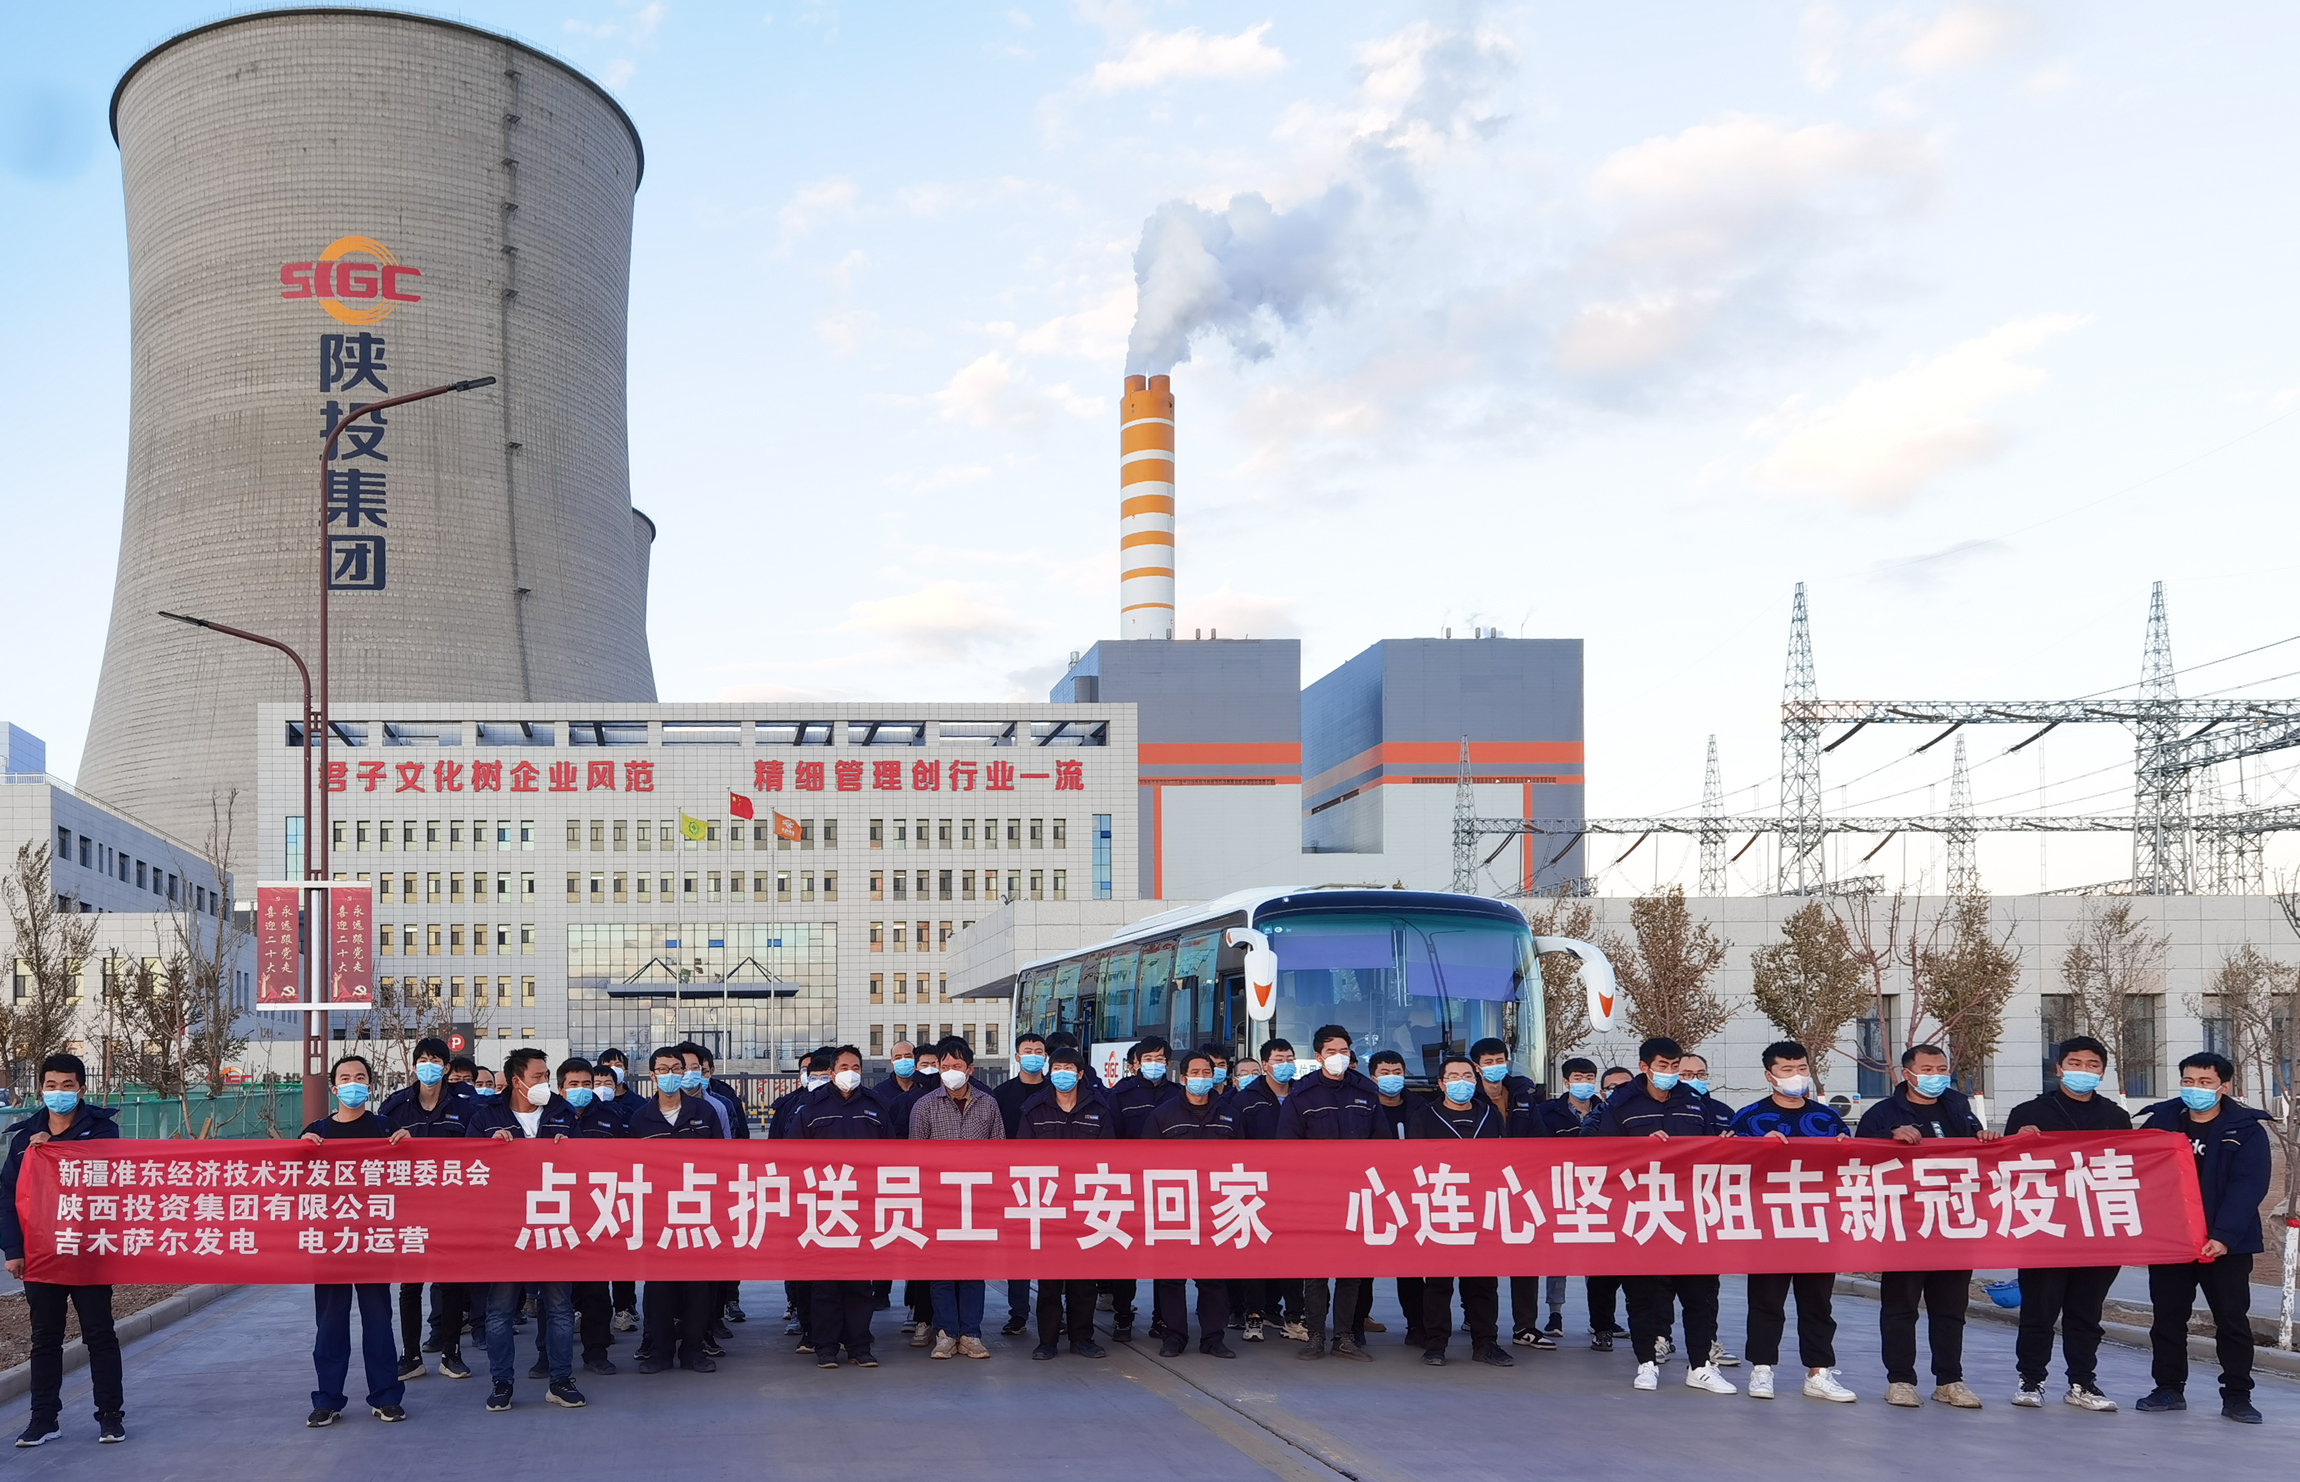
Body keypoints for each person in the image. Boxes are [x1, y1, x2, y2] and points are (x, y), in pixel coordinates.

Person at [1854, 1043, 1992, 1409]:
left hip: (1953, 1224)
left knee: (1951, 1309)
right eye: (1927, 1070)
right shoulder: (1883, 1114)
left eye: (1941, 1070)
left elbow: (1976, 1158)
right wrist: (1888, 1137)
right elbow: (1857, 1158)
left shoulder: (1959, 1109)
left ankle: (1949, 1380)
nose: (1936, 1076)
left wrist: (1985, 1140)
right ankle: (1900, 1380)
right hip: (1905, 1227)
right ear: (1907, 1074)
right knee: (1900, 1308)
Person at [2135, 1051, 2268, 1424]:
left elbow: (2248, 1186)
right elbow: (2135, 1166)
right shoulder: (2161, 1121)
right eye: (2189, 1081)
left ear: (2224, 1087)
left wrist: (2223, 1236)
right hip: (2172, 1241)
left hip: (2226, 1245)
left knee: (2231, 1320)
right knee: (2167, 1318)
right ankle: (2168, 1388)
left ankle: (2238, 1396)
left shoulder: (2245, 1129)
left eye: (2205, 1082)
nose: (2196, 1088)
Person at [1598, 1037, 1734, 1395]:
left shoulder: (1693, 1102)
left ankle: (1700, 1366)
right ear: (1645, 1067)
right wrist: (1639, 1148)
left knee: (1699, 1295)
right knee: (1643, 1295)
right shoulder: (1622, 1104)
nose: (1670, 1073)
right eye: (1663, 1067)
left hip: (1690, 1212)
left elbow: (1710, 1150)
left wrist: (1723, 1144)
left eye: (1675, 1067)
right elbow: (1602, 1155)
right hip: (1641, 1212)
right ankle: (1646, 1362)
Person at [2, 1054, 125, 1447]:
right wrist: (13, 1250)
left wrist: (53, 1149)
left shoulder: (103, 1132)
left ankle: (110, 1416)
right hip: (42, 1255)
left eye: (67, 1086)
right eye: (51, 1086)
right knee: (45, 1338)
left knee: (99, 1335)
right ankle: (44, 1420)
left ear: (81, 1090)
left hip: (89, 1251)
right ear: (41, 1090)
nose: (59, 1093)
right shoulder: (23, 1140)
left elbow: (110, 1178)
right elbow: (7, 1199)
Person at [2005, 1036, 2131, 1412]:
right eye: (2075, 1063)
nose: (2083, 1071)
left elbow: (2130, 1168)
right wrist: (2017, 1142)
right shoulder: (2029, 1113)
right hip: (2044, 1226)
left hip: (2097, 1228)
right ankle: (2031, 1380)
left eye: (2092, 1065)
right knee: (2039, 1311)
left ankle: (2082, 1382)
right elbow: (2004, 1168)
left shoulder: (2116, 1118)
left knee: (2086, 1313)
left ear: (2102, 1072)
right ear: (2059, 1068)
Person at [1728, 1041, 1856, 1403]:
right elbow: (1727, 1163)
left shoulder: (1827, 1118)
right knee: (1766, 1302)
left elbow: (1851, 1166)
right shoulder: (1749, 1118)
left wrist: (1846, 1146)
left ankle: (1819, 1372)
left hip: (1818, 1222)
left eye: (1801, 1068)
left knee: (1818, 1304)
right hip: (1769, 1223)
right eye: (1787, 1070)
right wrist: (1753, 1146)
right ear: (1769, 1075)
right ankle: (1762, 1369)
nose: (1796, 1076)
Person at [467, 1048, 587, 1413]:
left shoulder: (562, 1113)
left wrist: (571, 1150)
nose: (544, 1083)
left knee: (560, 1307)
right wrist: (491, 1151)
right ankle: (502, 1383)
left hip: (554, 1223)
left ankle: (561, 1380)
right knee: (500, 1310)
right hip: (506, 1228)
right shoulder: (486, 1118)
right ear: (517, 1081)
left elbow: (587, 1165)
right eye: (538, 1077)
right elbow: (468, 1168)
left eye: (546, 1076)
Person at [300, 1055, 407, 1427]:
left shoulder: (385, 1127)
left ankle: (386, 1397)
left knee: (378, 1322)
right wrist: (301, 1148)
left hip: (374, 1240)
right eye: (345, 1078)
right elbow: (296, 1182)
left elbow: (410, 1174)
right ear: (334, 1088)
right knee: (330, 1325)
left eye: (360, 1077)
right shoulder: (317, 1131)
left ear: (370, 1086)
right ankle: (327, 1399)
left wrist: (408, 1145)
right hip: (331, 1242)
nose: (353, 1084)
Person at [1278, 1025, 1380, 1361]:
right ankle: (1316, 1336)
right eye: (1332, 1052)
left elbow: (1382, 1144)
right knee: (1316, 1273)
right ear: (1319, 1056)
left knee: (1351, 1272)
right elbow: (1286, 1147)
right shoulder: (1302, 1095)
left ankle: (1345, 1336)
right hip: (1317, 1197)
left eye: (1344, 1051)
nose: (1339, 1057)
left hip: (1357, 1195)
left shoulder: (1366, 1091)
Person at [379, 1037, 475, 1384]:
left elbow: (479, 1153)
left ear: (447, 1068)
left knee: (451, 1284)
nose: (428, 1066)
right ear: (414, 1065)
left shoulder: (466, 1108)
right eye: (422, 1060)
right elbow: (373, 1152)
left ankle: (451, 1354)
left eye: (435, 1061)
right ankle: (411, 1356)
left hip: (452, 1209)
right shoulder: (394, 1107)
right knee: (410, 1285)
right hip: (410, 1209)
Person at [789, 1045, 891, 1369]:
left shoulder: (875, 1106)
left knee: (860, 1283)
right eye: (844, 1067)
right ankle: (826, 1347)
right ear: (832, 1073)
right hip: (824, 1208)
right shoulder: (811, 1109)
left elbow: (893, 1156)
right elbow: (792, 1158)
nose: (850, 1073)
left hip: (863, 1207)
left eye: (856, 1067)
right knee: (826, 1284)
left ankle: (860, 1346)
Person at [1411, 1055, 1513, 1368]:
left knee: (1483, 1283)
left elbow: (1504, 1155)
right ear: (1442, 1084)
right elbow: (1413, 1162)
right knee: (1438, 1283)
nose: (1462, 1082)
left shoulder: (1489, 1113)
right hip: (1441, 1206)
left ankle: (1486, 1343)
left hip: (1482, 1207)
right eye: (1454, 1077)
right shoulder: (1425, 1116)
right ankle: (1435, 1345)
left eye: (1468, 1076)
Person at [628, 1046, 724, 1373]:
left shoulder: (705, 1112)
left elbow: (722, 1161)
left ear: (684, 1073)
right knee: (659, 1288)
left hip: (698, 1212)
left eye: (675, 1069)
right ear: (652, 1076)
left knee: (697, 1287)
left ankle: (694, 1351)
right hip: (657, 1216)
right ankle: (660, 1351)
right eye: (663, 1069)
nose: (670, 1075)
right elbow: (630, 1168)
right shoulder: (639, 1118)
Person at [1016, 1043, 1113, 1359]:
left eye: (1069, 1069)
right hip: (1048, 1205)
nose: (1063, 1074)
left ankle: (1082, 1338)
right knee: (1049, 1281)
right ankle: (1047, 1341)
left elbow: (1110, 1158)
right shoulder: (1034, 1109)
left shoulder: (1099, 1109)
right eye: (1057, 1069)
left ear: (1080, 1074)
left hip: (1087, 1204)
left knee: (1083, 1281)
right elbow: (1022, 1158)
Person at [910, 1037, 1005, 1358]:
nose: (951, 1071)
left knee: (973, 1272)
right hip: (938, 1202)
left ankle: (971, 1334)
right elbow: (915, 1158)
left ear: (970, 1069)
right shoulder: (924, 1106)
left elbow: (999, 1154)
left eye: (957, 1066)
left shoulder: (988, 1104)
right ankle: (946, 1333)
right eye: (945, 1066)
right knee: (941, 1273)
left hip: (976, 1202)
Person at [1144, 1049, 1238, 1358]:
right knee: (1172, 1277)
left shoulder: (1230, 1114)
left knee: (1213, 1278)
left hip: (1216, 1206)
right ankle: (1174, 1336)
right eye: (1195, 1073)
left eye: (1206, 1073)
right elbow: (1145, 1161)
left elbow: (1245, 1160)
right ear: (1183, 1078)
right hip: (1175, 1206)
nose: (1201, 1078)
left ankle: (1213, 1338)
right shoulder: (1163, 1115)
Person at [546, 1058, 621, 1378]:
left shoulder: (612, 1117)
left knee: (596, 1290)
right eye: (573, 1085)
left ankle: (597, 1351)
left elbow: (626, 1160)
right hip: (556, 1212)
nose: (581, 1090)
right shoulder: (547, 1117)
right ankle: (546, 1355)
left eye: (587, 1084)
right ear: (560, 1088)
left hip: (596, 1212)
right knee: (554, 1291)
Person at [1104, 1036, 1179, 1341]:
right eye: (1148, 1058)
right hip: (1131, 1184)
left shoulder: (1178, 1095)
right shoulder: (1120, 1095)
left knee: (1166, 1254)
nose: (1154, 1064)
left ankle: (1163, 1318)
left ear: (1169, 1063)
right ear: (1136, 1063)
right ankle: (1123, 1314)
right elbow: (1111, 1139)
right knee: (1127, 1253)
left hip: (1169, 1186)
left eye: (1160, 1059)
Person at [1232, 1038, 1303, 1342]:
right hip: (1255, 1186)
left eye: (1289, 1058)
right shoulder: (1246, 1099)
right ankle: (1253, 1316)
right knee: (1256, 1254)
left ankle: (1294, 1317)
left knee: (1292, 1254)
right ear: (1265, 1065)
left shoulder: (1303, 1094)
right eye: (1278, 1059)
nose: (1285, 1064)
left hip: (1294, 1186)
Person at [768, 1047, 836, 1352]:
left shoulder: (859, 1105)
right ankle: (803, 1317)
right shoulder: (791, 1107)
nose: (818, 1081)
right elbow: (775, 1151)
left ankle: (843, 1328)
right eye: (813, 1075)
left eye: (824, 1076)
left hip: (841, 1195)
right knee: (802, 1265)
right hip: (801, 1195)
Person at [991, 1031, 1051, 1335]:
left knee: (1052, 1250)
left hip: (1052, 1181)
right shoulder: (1002, 1094)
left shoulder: (1056, 1090)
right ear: (1017, 1057)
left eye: (1039, 1051)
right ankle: (1018, 1313)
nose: (1033, 1056)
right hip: (1013, 1181)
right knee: (1018, 1251)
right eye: (1028, 1051)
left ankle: (1053, 1313)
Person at [588, 1047, 646, 1331]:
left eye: (616, 1067)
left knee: (622, 1252)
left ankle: (624, 1307)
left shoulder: (635, 1106)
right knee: (591, 1256)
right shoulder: (578, 1112)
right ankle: (588, 1311)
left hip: (622, 1188)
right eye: (597, 1080)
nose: (603, 1086)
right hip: (587, 1192)